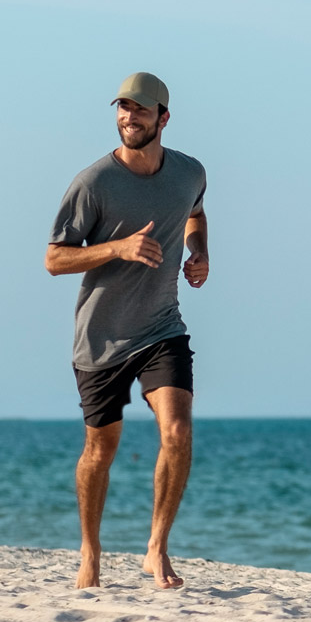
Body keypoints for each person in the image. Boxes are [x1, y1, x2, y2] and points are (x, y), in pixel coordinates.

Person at [44, 72, 211, 589]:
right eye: (122, 109)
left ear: (163, 117)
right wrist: (117, 248)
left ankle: (156, 548)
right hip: (101, 338)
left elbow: (196, 212)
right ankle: (90, 552)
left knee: (178, 431)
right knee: (101, 450)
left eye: (140, 110)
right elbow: (54, 258)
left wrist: (199, 250)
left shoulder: (189, 173)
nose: (128, 118)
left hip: (162, 326)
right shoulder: (93, 183)